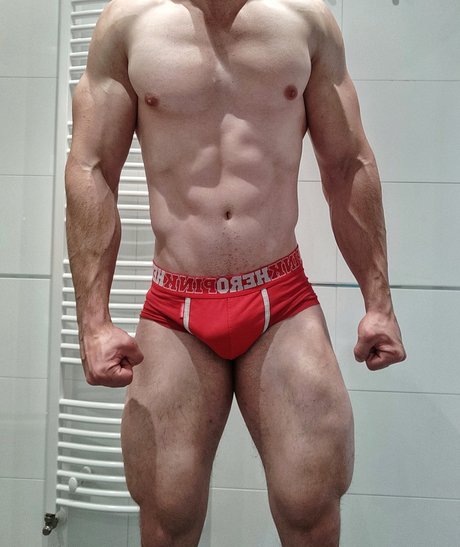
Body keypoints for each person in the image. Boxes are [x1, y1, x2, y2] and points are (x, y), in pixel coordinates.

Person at [65, 0, 406, 545]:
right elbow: (92, 168)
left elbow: (348, 164)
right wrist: (93, 321)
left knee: (311, 511)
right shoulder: (128, 24)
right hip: (175, 308)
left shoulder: (305, 20)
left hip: (281, 301)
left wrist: (379, 303)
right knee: (167, 520)